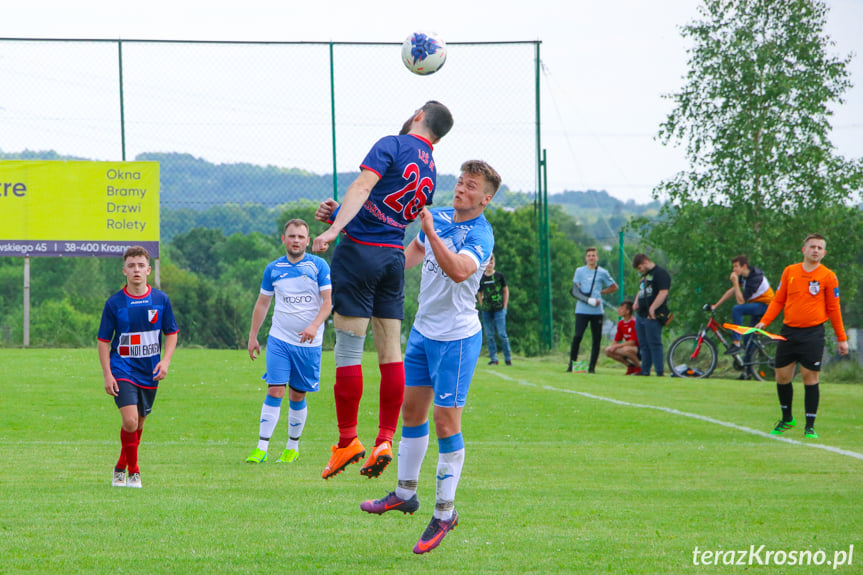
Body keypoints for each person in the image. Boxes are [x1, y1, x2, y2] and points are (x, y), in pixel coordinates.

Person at [359, 160, 500, 555]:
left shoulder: (480, 235)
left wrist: (433, 235)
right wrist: (376, 275)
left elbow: (457, 271)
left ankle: (445, 512)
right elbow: (408, 257)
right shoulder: (437, 216)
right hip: (422, 332)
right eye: (459, 181)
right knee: (411, 414)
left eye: (471, 186)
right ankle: (405, 493)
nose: (460, 189)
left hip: (456, 339)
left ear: (485, 199)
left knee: (444, 421)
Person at [312, 101, 454, 480]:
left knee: (348, 351)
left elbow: (364, 185)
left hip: (360, 253)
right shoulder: (432, 169)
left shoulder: (392, 142)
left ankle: (347, 442)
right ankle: (385, 440)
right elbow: (389, 211)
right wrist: (341, 210)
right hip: (392, 258)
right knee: (391, 352)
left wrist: (333, 229)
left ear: (420, 116)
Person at [245, 219, 332, 464]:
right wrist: (253, 335)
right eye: (291, 236)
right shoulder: (273, 269)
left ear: (307, 240)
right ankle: (261, 448)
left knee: (297, 396)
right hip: (279, 339)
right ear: (284, 239)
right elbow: (263, 304)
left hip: (308, 345)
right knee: (275, 389)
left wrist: (314, 326)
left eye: (300, 237)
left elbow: (328, 302)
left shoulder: (318, 266)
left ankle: (292, 447)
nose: (296, 240)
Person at [98, 246, 179, 488]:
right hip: (122, 369)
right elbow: (103, 342)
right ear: (124, 270)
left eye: (140, 265)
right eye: (131, 265)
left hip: (150, 372)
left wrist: (165, 361)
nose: (136, 270)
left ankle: (120, 466)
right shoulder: (115, 303)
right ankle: (134, 471)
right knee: (131, 421)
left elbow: (172, 333)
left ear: (148, 270)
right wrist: (107, 374)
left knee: (139, 423)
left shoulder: (160, 300)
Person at [754, 234, 848, 439]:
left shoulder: (828, 276)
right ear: (803, 250)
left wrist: (841, 338)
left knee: (809, 377)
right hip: (789, 331)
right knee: (782, 376)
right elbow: (778, 300)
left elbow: (834, 308)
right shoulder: (790, 271)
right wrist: (765, 321)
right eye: (812, 246)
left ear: (824, 252)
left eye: (820, 247)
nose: (816, 250)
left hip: (813, 333)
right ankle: (787, 418)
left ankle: (810, 425)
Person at [710, 254, 774, 356]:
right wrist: (716, 305)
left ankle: (736, 343)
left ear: (743, 267)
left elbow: (741, 302)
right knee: (749, 340)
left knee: (737, 309)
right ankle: (748, 371)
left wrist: (735, 283)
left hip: (766, 306)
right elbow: (731, 291)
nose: (734, 269)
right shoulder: (744, 276)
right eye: (733, 267)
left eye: (736, 266)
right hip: (758, 305)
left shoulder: (754, 278)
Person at [568, 247, 618, 373]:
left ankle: (591, 368)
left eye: (593, 255)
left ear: (597, 258)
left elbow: (614, 286)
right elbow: (575, 291)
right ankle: (572, 365)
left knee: (596, 339)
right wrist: (588, 300)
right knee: (577, 336)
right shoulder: (579, 271)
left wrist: (602, 293)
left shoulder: (602, 272)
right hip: (581, 310)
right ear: (586, 258)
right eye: (589, 255)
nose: (591, 258)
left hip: (597, 311)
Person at [632, 253, 671, 376]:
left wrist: (653, 308)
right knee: (643, 344)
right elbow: (641, 290)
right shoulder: (645, 276)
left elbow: (663, 292)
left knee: (654, 343)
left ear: (645, 262)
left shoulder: (660, 273)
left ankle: (659, 371)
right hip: (641, 314)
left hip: (653, 315)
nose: (640, 271)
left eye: (640, 268)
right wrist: (636, 301)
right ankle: (645, 370)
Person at [476, 253, 512, 366]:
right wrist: (482, 304)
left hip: (499, 309)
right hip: (487, 310)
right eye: (487, 263)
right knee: (489, 335)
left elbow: (505, 290)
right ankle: (493, 358)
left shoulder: (499, 276)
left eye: (491, 262)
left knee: (502, 334)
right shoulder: (481, 278)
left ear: (494, 263)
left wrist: (505, 305)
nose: (489, 265)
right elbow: (479, 292)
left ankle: (508, 358)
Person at [604, 300, 640, 375]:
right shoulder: (621, 323)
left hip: (639, 349)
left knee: (626, 349)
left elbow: (632, 342)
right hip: (628, 348)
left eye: (621, 308)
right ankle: (630, 367)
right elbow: (617, 339)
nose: (619, 310)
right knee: (608, 350)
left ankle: (639, 368)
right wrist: (612, 347)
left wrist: (616, 346)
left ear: (627, 311)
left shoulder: (634, 322)